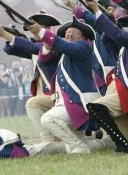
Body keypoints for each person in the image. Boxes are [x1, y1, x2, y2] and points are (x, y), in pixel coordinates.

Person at [83, 0, 128, 154]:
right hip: (119, 86)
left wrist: (98, 12)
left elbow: (118, 36)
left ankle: (121, 145)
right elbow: (108, 39)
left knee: (95, 107)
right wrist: (114, 22)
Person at [28, 17, 100, 154]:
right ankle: (102, 144)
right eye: (67, 32)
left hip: (80, 101)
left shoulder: (83, 47)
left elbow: (64, 45)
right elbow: (43, 62)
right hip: (69, 101)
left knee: (48, 119)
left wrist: (41, 32)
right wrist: (46, 44)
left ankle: (80, 146)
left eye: (74, 32)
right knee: (70, 149)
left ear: (83, 37)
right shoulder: (65, 54)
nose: (69, 34)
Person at [0, 13, 61, 142]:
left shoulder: (51, 46)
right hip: (42, 90)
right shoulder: (36, 47)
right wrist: (11, 36)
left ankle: (47, 141)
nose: (33, 31)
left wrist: (6, 34)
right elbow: (10, 50)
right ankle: (50, 140)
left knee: (36, 108)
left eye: (37, 27)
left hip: (54, 91)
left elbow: (32, 47)